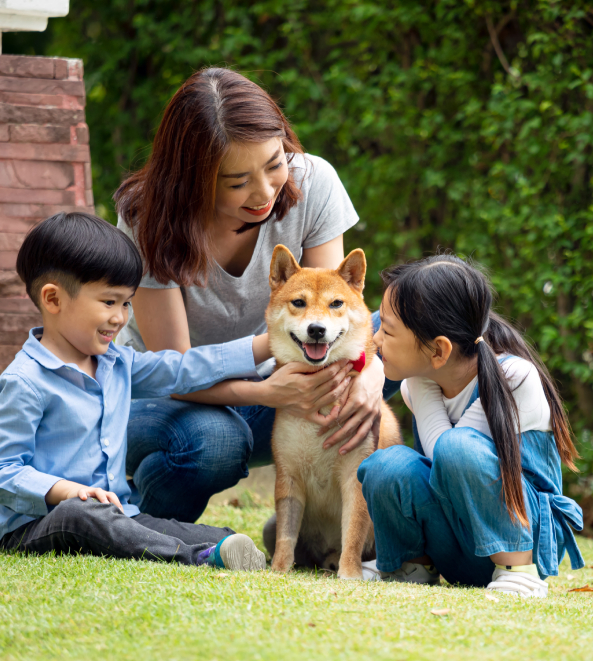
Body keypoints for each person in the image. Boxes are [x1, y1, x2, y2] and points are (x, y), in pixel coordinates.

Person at [113, 67, 393, 523]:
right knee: (217, 442)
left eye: (274, 163)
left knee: (407, 328)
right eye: (236, 181)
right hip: (169, 397)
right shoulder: (149, 216)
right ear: (191, 178)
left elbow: (340, 305)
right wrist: (269, 393)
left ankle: (366, 515)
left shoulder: (314, 181)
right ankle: (147, 510)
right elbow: (175, 371)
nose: (264, 193)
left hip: (283, 383)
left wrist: (370, 373)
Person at [0, 212, 293, 570]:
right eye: (109, 302)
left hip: (120, 513)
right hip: (41, 524)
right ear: (53, 299)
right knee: (83, 516)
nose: (121, 317)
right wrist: (66, 491)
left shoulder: (116, 363)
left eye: (126, 303)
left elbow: (182, 369)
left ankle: (221, 547)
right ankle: (197, 558)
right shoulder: (25, 381)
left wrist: (268, 344)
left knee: (213, 532)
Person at [358, 255, 585, 597]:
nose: (375, 339)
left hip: (521, 536)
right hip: (458, 544)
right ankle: (414, 566)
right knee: (385, 465)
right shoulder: (418, 381)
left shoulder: (515, 377)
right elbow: (439, 472)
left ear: (439, 350)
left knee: (457, 447)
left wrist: (423, 387)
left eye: (387, 330)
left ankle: (517, 573)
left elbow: (448, 454)